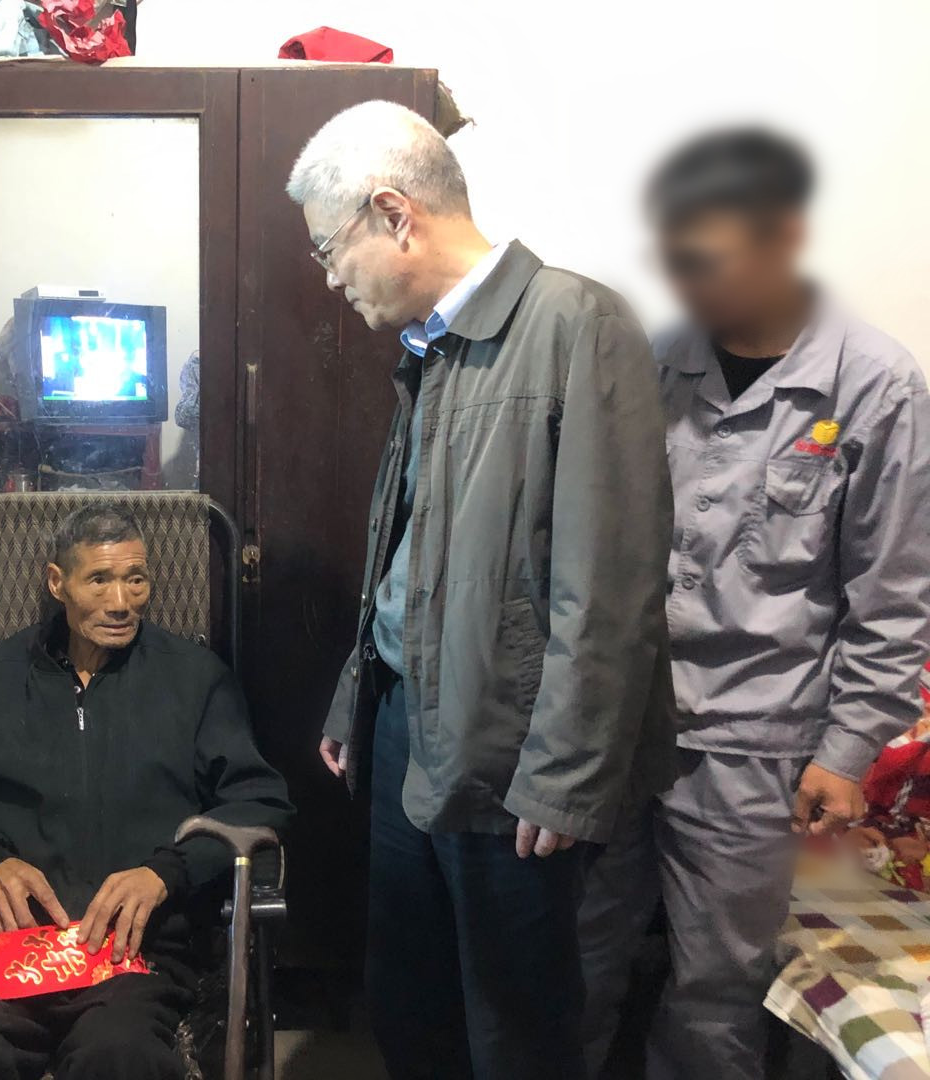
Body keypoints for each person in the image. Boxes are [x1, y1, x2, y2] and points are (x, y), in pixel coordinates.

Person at [288, 100, 677, 1080]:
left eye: (331, 249)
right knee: (407, 1000)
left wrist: (567, 775)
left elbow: (613, 584)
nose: (330, 277)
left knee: (514, 1027)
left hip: (511, 753)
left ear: (394, 214)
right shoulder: (434, 346)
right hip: (403, 721)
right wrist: (356, 695)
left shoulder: (576, 325)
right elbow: (405, 551)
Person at [578, 129, 930, 1079]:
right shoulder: (658, 360)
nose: (690, 283)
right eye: (677, 260)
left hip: (755, 744)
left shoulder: (876, 384)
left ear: (784, 237)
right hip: (623, 727)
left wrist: (846, 752)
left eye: (712, 259)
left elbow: (894, 596)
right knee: (578, 958)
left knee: (714, 989)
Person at [0, 502, 293, 1080]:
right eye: (99, 579)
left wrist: (167, 871)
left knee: (120, 1056)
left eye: (135, 579)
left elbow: (259, 800)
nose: (121, 602)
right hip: (7, 950)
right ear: (58, 583)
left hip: (134, 953)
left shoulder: (195, 680)